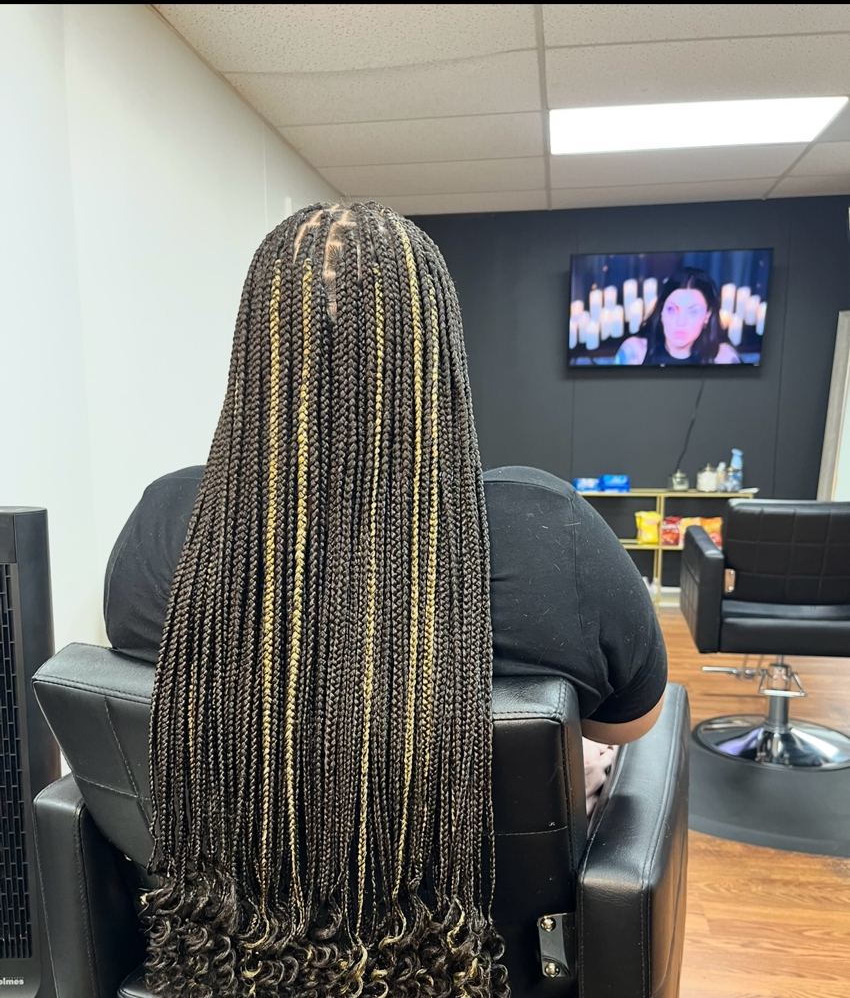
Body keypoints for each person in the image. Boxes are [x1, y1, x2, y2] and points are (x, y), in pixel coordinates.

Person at [106, 203, 666, 997]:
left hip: (227, 958)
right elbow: (633, 722)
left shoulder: (165, 524)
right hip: (462, 962)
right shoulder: (550, 530)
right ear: (433, 348)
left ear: (257, 347)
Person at [615, 266, 741, 365]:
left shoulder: (724, 357)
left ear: (707, 315)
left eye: (693, 312)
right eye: (672, 310)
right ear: (661, 311)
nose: (681, 322)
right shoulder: (635, 351)